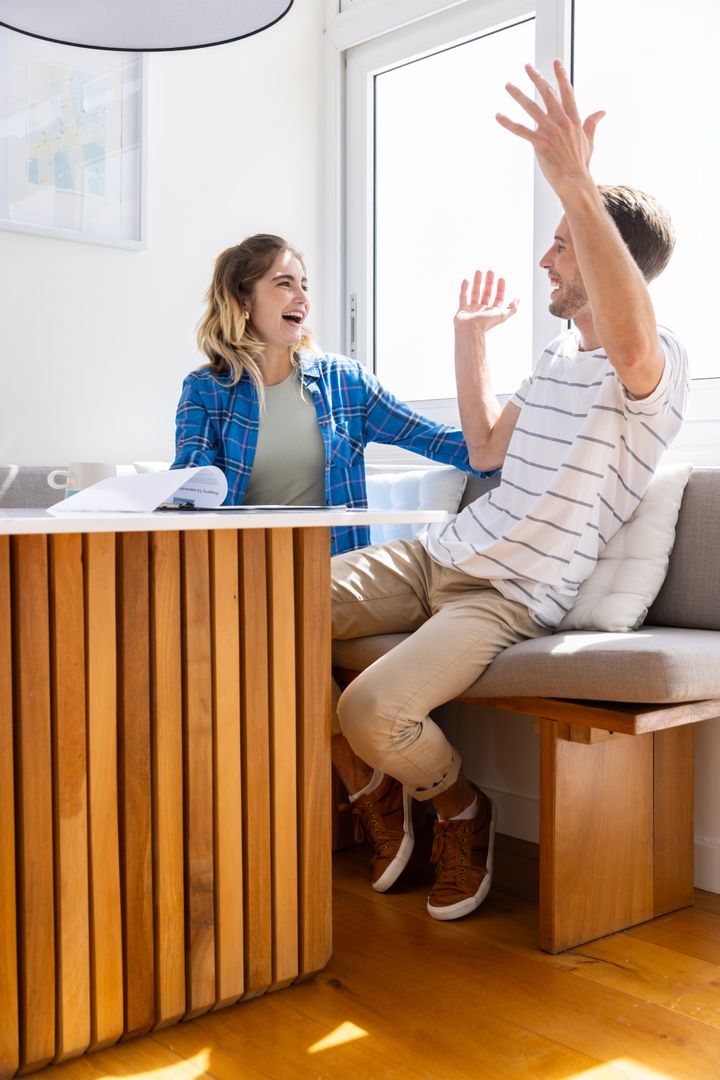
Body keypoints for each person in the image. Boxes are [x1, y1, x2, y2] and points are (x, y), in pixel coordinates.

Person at [330, 60, 689, 922]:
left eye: (563, 241)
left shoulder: (657, 363)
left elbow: (633, 349)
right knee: (259, 609)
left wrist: (575, 180)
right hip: (435, 557)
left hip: (504, 598)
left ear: (611, 258)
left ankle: (459, 806)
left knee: (372, 706)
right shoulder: (559, 357)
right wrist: (468, 343)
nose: (546, 258)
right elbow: (489, 446)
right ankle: (371, 790)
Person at [173, 233, 491, 557]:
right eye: (285, 284)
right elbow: (190, 488)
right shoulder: (206, 390)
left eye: (304, 286)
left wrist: (519, 448)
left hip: (333, 573)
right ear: (244, 299)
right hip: (242, 573)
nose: (302, 298)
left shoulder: (345, 382)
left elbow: (435, 439)